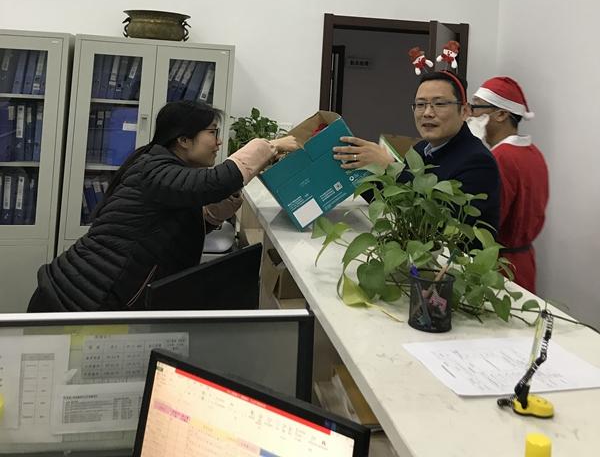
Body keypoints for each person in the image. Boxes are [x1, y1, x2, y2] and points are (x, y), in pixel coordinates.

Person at [28, 100, 298, 312]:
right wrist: (271, 145)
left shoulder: (162, 168)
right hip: (74, 301)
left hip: (93, 298)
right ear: (183, 139)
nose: (218, 142)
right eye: (212, 133)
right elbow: (215, 182)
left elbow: (178, 224)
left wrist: (218, 208)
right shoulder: (155, 169)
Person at [333, 71, 500, 233]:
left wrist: (390, 167)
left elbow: (437, 225)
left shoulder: (478, 161)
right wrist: (362, 170)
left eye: (439, 104)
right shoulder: (420, 150)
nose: (427, 113)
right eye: (420, 105)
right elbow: (395, 203)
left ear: (464, 111)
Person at [470, 76, 549, 293]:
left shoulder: (501, 158)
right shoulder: (533, 153)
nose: (471, 114)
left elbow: (488, 222)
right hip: (524, 264)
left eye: (476, 107)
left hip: (500, 267)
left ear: (501, 114)